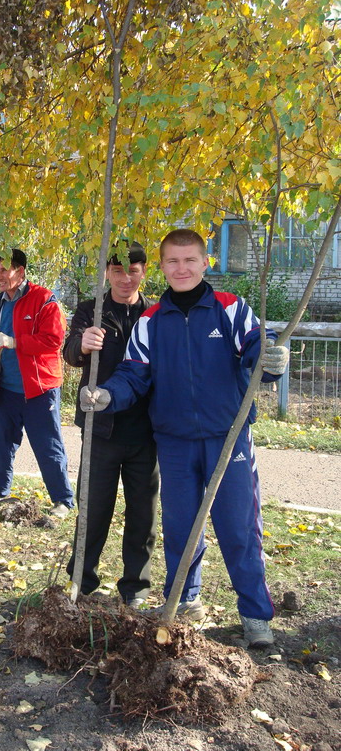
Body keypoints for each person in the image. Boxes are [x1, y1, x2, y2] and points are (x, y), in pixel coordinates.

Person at [81, 229, 290, 648]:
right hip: (173, 443)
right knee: (180, 528)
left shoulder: (231, 309)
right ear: (162, 268)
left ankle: (254, 615)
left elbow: (255, 354)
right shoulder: (151, 321)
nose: (181, 268)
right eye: (173, 262)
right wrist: (106, 396)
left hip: (227, 439)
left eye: (190, 260)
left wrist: (272, 362)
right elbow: (133, 375)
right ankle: (185, 601)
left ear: (205, 262)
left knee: (238, 529)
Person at [63, 242, 159, 607]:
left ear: (143, 272)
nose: (125, 278)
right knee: (93, 510)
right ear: (107, 273)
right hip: (99, 428)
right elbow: (69, 352)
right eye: (117, 271)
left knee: (142, 515)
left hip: (146, 432)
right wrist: (82, 344)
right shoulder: (92, 310)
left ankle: (135, 588)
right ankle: (80, 582)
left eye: (133, 270)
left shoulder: (155, 313)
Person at [0, 249, 74, 518]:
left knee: (47, 445)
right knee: (3, 444)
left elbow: (53, 341)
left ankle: (63, 500)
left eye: (3, 270)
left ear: (20, 272)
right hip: (6, 389)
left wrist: (15, 342)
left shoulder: (44, 300)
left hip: (40, 390)